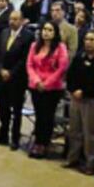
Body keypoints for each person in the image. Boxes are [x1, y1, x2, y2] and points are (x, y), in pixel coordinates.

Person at [26, 21, 70, 159]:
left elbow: (62, 68)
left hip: (52, 88)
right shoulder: (35, 46)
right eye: (44, 29)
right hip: (36, 86)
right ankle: (37, 142)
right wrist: (37, 81)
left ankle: (44, 144)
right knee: (39, 116)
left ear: (55, 33)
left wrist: (46, 83)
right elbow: (29, 65)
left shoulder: (61, 48)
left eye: (50, 30)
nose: (46, 32)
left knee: (47, 117)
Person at [64, 30, 94, 174]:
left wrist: (85, 92)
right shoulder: (79, 57)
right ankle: (73, 158)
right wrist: (73, 90)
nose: (88, 42)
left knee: (90, 133)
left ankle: (91, 162)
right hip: (75, 98)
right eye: (87, 39)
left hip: (92, 100)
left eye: (92, 39)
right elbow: (70, 75)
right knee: (74, 130)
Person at [0, 10, 33, 150]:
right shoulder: (4, 33)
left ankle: (15, 138)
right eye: (10, 19)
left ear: (21, 21)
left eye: (15, 19)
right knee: (2, 108)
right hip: (1, 77)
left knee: (16, 110)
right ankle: (2, 135)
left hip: (17, 79)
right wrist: (0, 69)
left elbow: (24, 59)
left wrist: (11, 72)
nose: (12, 21)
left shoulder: (28, 37)